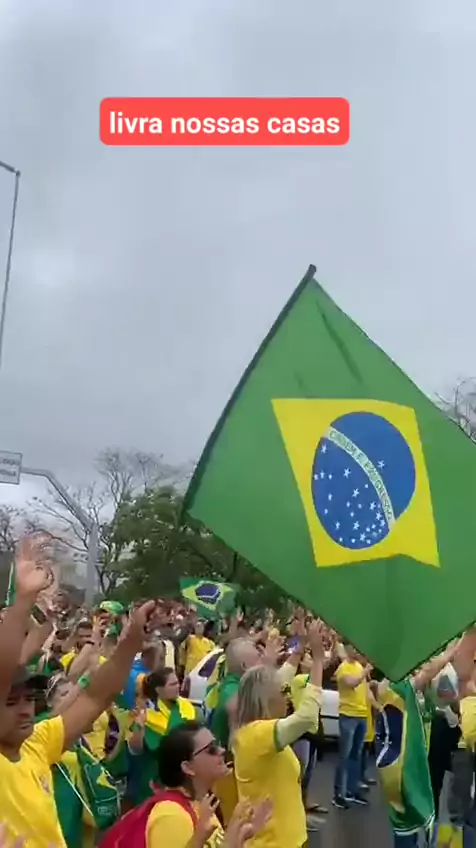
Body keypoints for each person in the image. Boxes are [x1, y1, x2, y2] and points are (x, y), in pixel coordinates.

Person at [0, 533, 158, 847]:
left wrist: (129, 644)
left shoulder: (37, 744)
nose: (25, 709)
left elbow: (95, 696)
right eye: (10, 701)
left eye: (30, 698)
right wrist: (23, 602)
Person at [232, 621, 324, 847]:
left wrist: (301, 646)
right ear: (266, 699)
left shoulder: (256, 731)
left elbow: (282, 677)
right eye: (283, 692)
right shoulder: (255, 735)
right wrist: (318, 660)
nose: (287, 696)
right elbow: (307, 717)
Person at [127, 667, 197, 804]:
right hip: (155, 779)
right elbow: (135, 750)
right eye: (172, 684)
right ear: (159, 690)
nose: (177, 687)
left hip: (186, 776)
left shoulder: (187, 707)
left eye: (177, 682)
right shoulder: (147, 715)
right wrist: (140, 728)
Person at [333, 644, 371, 808]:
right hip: (348, 715)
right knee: (345, 755)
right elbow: (351, 683)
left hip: (361, 715)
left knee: (356, 755)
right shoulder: (344, 668)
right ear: (347, 649)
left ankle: (352, 791)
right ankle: (338, 794)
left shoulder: (358, 666)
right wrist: (365, 671)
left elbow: (365, 689)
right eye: (353, 648)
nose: (357, 651)